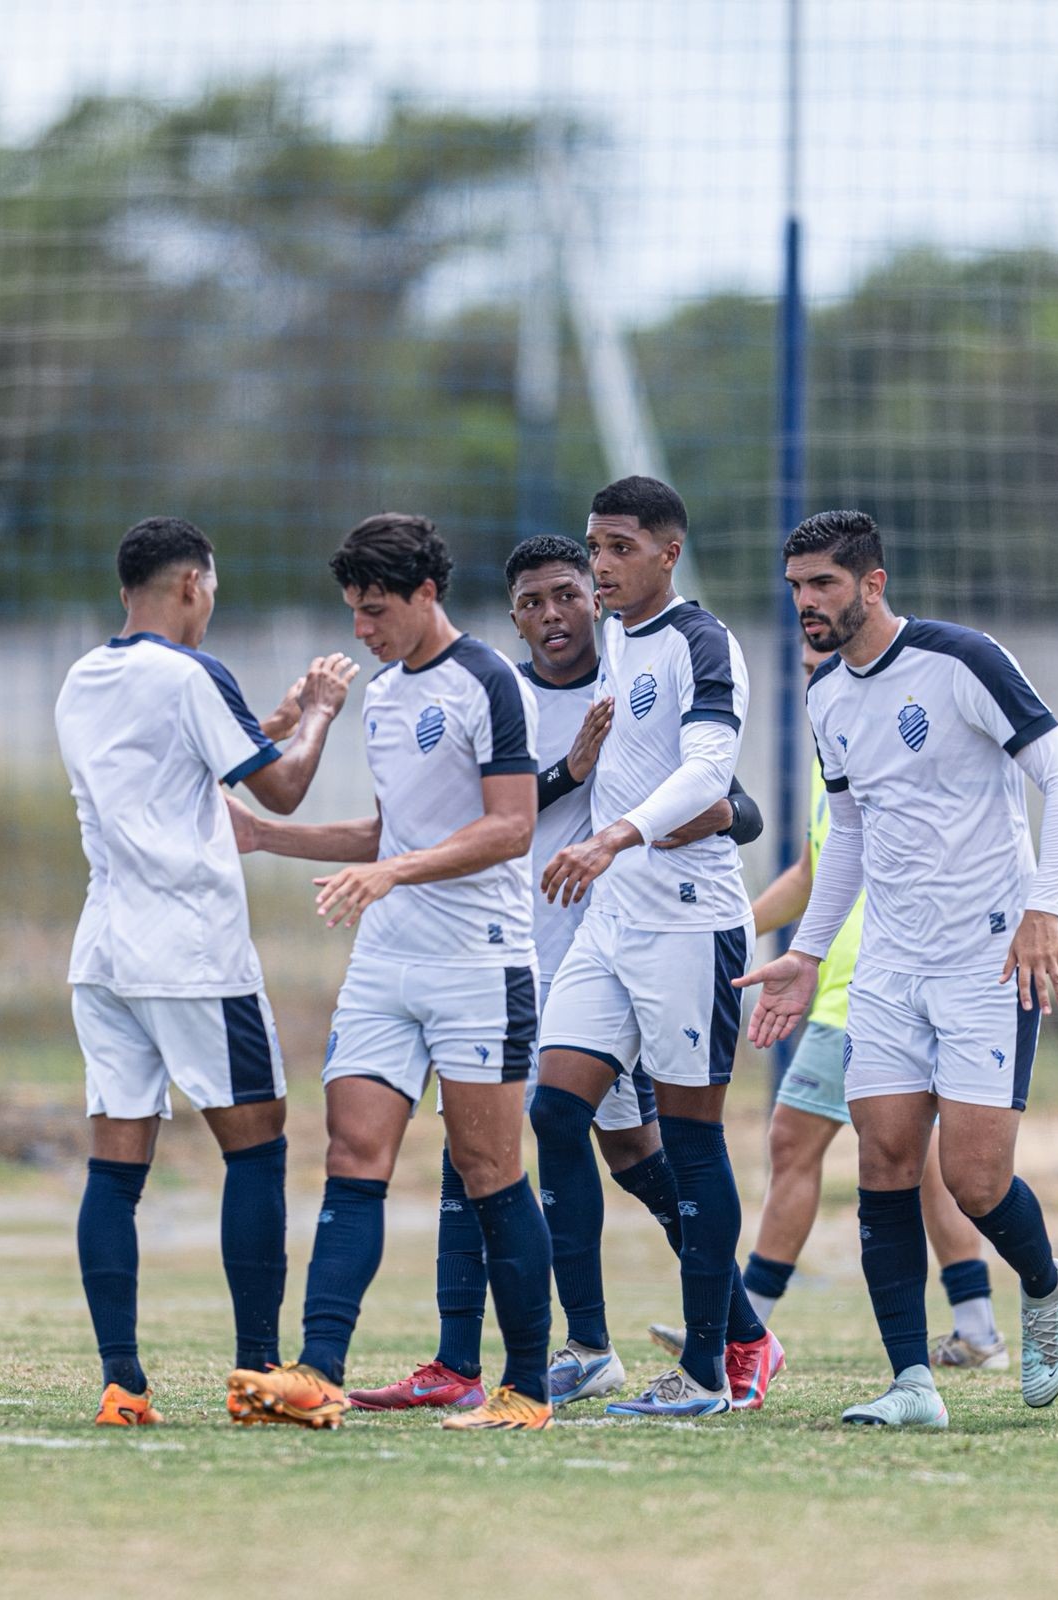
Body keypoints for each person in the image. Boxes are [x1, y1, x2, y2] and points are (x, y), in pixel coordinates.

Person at [346, 534, 764, 1413]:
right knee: (482, 1150)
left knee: (644, 1160)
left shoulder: (634, 678)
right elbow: (470, 812)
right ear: (514, 617)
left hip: (609, 950)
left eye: (568, 594)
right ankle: (474, 1357)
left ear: (596, 597)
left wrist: (689, 820)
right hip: (508, 956)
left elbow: (736, 802)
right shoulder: (499, 692)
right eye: (533, 603)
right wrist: (568, 770)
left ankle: (740, 1334)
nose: (553, 616)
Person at [738, 509, 1058, 1427]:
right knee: (886, 1160)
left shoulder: (961, 660)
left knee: (975, 1181)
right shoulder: (825, 696)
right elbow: (846, 835)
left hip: (986, 955)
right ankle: (911, 1383)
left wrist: (1042, 910)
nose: (806, 604)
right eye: (795, 588)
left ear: (873, 582)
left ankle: (1046, 1288)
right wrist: (808, 954)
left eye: (822, 584)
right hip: (891, 968)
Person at [225, 513, 556, 1432]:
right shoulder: (384, 695)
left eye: (376, 612)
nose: (362, 632)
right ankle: (318, 1374)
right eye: (353, 614)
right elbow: (389, 832)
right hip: (387, 963)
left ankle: (525, 1389)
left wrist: (393, 873)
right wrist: (266, 836)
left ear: (424, 594)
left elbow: (511, 827)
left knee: (489, 1169)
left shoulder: (489, 681)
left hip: (478, 964)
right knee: (349, 1154)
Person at [54, 515, 356, 1426]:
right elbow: (282, 790)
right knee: (257, 1147)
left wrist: (277, 721)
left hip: (103, 952)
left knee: (116, 1167)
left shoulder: (83, 677)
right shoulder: (190, 674)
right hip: (190, 951)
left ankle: (122, 1384)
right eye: (212, 589)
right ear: (192, 584)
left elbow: (182, 762)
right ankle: (259, 1371)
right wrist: (322, 717)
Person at [650, 637, 1008, 1372]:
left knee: (795, 1144)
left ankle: (742, 1330)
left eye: (827, 671)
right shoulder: (833, 763)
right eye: (808, 675)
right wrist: (732, 928)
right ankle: (978, 1329)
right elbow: (813, 874)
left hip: (871, 992)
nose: (818, 685)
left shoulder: (895, 752)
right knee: (925, 1162)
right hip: (850, 988)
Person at [538, 476, 782, 1419]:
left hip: (690, 923)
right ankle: (590, 1346)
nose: (600, 564)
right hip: (612, 923)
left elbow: (711, 768)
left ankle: (711, 1372)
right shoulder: (617, 647)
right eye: (594, 545)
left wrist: (615, 834)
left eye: (619, 547)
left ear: (667, 551)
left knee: (689, 1141)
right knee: (558, 1112)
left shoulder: (699, 639)